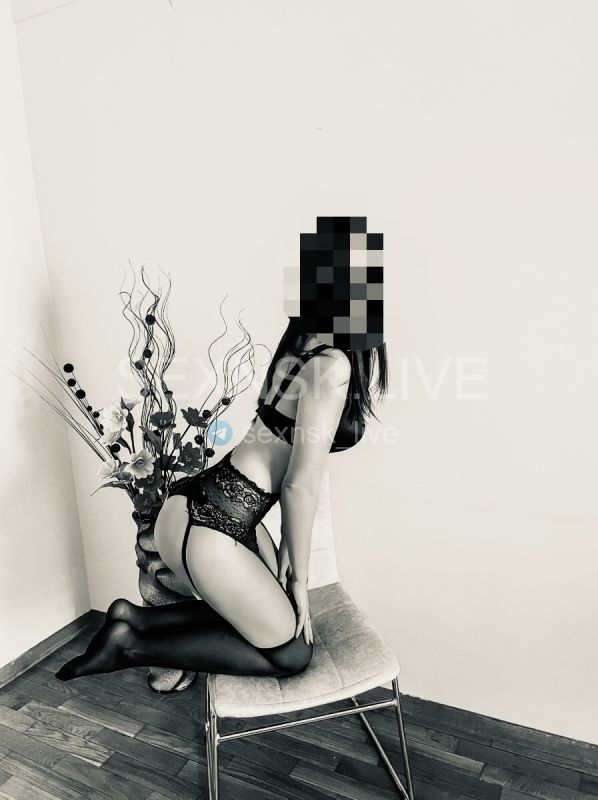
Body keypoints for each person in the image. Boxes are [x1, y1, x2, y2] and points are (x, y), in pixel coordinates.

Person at [56, 216, 387, 682]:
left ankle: (135, 618)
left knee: (265, 618)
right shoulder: (333, 365)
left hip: (196, 507)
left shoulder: (301, 342)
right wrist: (300, 579)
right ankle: (129, 645)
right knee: (292, 654)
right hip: (214, 529)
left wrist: (287, 557)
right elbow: (299, 484)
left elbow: (279, 459)